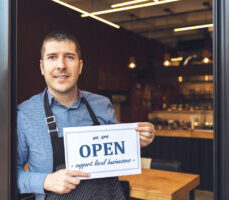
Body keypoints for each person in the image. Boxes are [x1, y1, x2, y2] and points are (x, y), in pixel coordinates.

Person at [17, 31, 155, 200]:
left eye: (69, 57)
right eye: (52, 57)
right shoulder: (24, 114)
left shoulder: (102, 105)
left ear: (80, 66)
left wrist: (136, 141)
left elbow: (118, 157)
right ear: (42, 67)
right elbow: (8, 174)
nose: (61, 65)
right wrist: (45, 181)